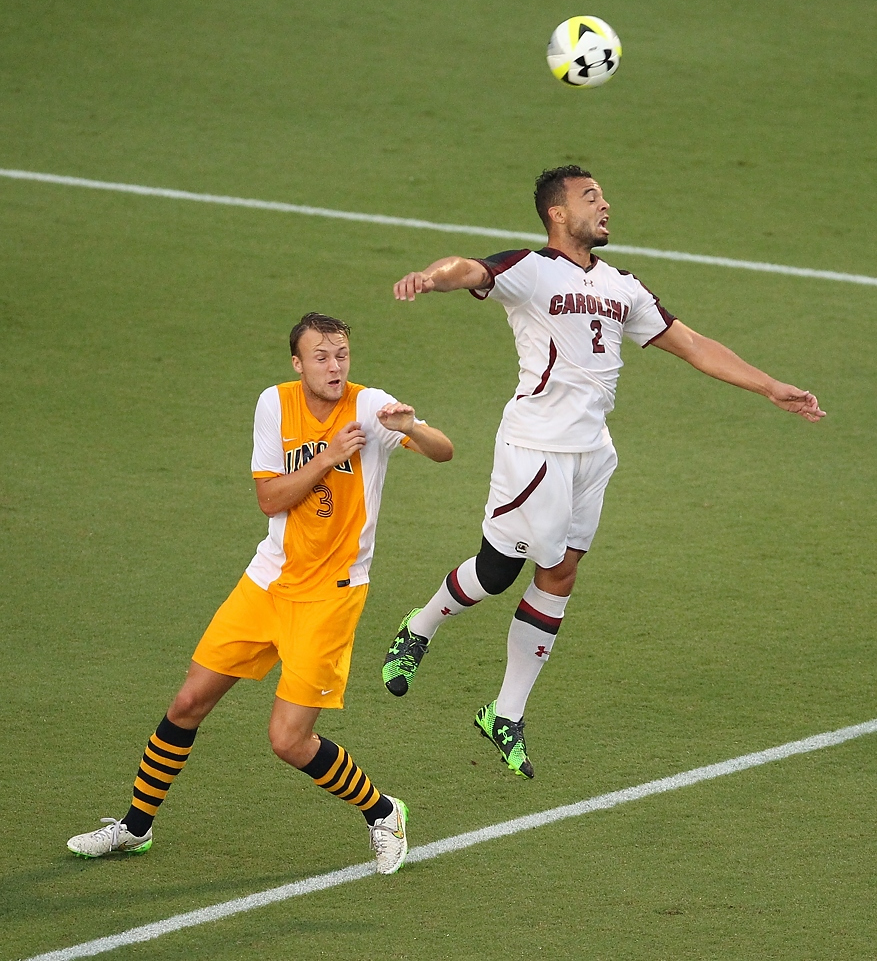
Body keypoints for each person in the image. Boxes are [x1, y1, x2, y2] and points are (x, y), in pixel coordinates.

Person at [382, 165, 825, 779]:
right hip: (535, 449)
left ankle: (504, 714)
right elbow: (470, 269)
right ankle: (419, 626)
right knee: (497, 571)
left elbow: (692, 344)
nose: (606, 204)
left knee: (560, 575)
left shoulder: (623, 286)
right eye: (591, 197)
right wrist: (432, 279)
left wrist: (770, 386)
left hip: (592, 453)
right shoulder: (531, 270)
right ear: (557, 214)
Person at [67, 312, 453, 874]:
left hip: (331, 595)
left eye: (341, 354)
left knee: (289, 740)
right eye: (320, 356)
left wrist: (414, 427)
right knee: (187, 703)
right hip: (268, 580)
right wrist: (327, 457)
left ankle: (384, 812)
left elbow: (444, 451)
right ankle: (134, 827)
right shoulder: (274, 404)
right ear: (297, 364)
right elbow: (271, 500)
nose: (334, 365)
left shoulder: (371, 408)